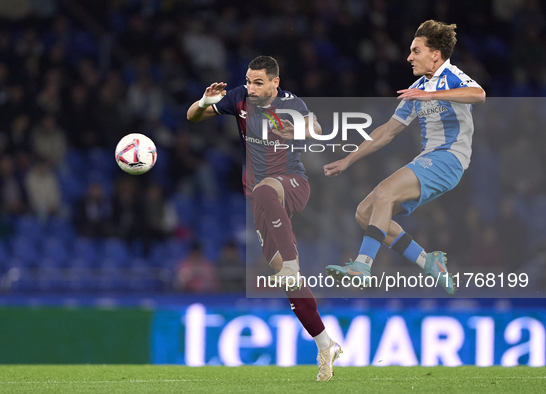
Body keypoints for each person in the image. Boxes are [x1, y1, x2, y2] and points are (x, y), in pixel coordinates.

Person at [187, 56, 342, 381]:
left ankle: (290, 263)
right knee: (290, 285)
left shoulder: (291, 104)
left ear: (275, 82)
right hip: (260, 201)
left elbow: (316, 128)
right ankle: (325, 344)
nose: (251, 88)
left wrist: (300, 129)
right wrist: (204, 102)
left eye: (258, 82)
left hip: (292, 185)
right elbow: (192, 117)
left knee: (267, 190)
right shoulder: (238, 99)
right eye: (248, 80)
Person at [323, 20, 485, 295]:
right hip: (431, 158)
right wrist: (348, 160)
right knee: (365, 213)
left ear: (435, 54)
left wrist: (429, 94)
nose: (409, 57)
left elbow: (479, 94)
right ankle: (429, 261)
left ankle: (362, 265)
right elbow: (387, 131)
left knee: (384, 191)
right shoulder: (417, 89)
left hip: (450, 158)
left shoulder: (451, 76)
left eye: (416, 51)